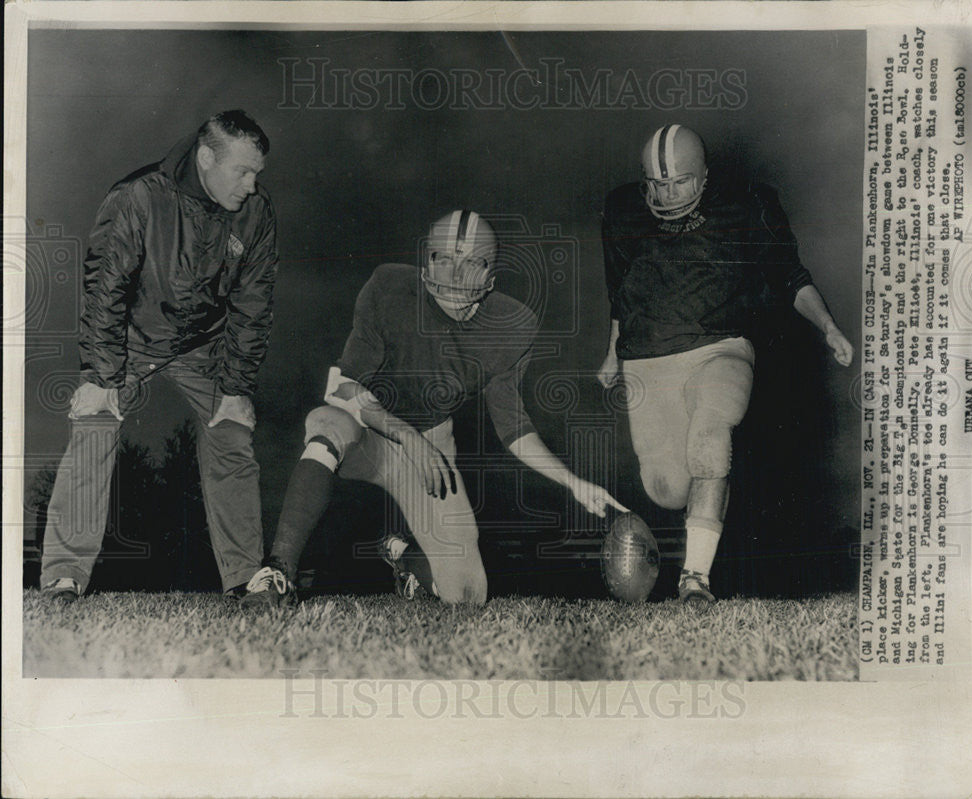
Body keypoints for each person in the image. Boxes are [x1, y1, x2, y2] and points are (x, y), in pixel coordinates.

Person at [244, 210, 624, 606]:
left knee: (467, 596)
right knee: (327, 424)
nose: (454, 292)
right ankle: (278, 572)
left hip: (432, 444)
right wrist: (406, 435)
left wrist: (573, 482)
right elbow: (343, 387)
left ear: (490, 278)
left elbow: (513, 427)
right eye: (444, 278)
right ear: (427, 266)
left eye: (466, 284)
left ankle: (405, 557)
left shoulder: (511, 325)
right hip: (370, 431)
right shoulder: (389, 287)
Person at [598, 124, 854, 605]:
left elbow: (790, 277)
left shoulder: (747, 205)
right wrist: (613, 350)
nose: (668, 195)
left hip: (721, 348)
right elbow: (621, 289)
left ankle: (695, 578)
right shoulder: (622, 208)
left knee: (711, 442)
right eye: (658, 184)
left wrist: (828, 325)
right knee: (668, 490)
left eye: (680, 183)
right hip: (649, 358)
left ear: (706, 177)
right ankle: (691, 528)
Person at [40, 110, 278, 602]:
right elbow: (105, 289)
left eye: (258, 173)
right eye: (243, 172)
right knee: (94, 422)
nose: (252, 186)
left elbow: (253, 307)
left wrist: (235, 390)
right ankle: (64, 574)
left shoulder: (256, 214)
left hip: (201, 345)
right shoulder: (139, 196)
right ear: (207, 157)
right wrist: (102, 378)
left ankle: (245, 577)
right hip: (132, 339)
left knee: (232, 430)